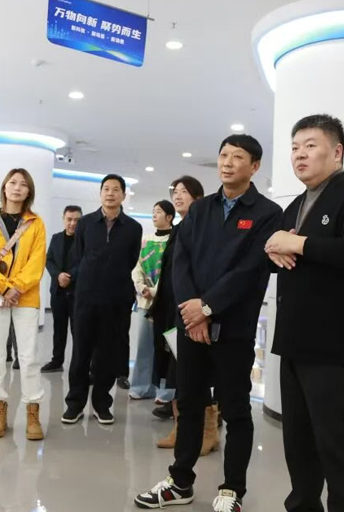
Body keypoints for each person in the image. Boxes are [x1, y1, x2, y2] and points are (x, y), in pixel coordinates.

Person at [136, 135, 281, 512]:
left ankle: (232, 489)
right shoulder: (200, 210)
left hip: (233, 328)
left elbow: (251, 268)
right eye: (223, 155)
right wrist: (193, 311)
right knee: (188, 403)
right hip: (191, 326)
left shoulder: (267, 213)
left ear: (254, 166)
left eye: (238, 157)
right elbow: (180, 261)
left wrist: (208, 306)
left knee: (235, 408)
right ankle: (180, 482)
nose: (227, 162)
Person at [264, 114, 344, 512]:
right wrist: (273, 249)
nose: (299, 154)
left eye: (310, 145)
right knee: (298, 445)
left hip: (335, 347)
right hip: (294, 343)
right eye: (294, 147)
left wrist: (297, 244)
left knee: (338, 448)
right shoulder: (295, 205)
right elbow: (278, 254)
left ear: (337, 152)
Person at [62, 174, 142, 425]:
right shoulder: (86, 223)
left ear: (123, 195)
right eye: (106, 189)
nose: (110, 193)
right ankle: (74, 404)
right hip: (86, 297)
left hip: (116, 299)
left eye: (115, 189)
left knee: (107, 354)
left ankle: (101, 404)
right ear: (100, 193)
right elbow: (79, 256)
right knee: (80, 352)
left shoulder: (133, 228)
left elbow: (130, 260)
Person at [0, 168, 48, 441]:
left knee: (29, 357)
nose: (17, 187)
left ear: (29, 191)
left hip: (25, 296)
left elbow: (37, 261)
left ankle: (32, 412)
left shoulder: (36, 223)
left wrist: (17, 287)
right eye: (13, 182)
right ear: (4, 187)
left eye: (23, 184)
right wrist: (4, 287)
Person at [148, 177, 209, 450]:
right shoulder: (178, 229)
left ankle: (206, 431)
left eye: (185, 192)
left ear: (198, 197)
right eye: (175, 192)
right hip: (172, 311)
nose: (178, 196)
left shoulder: (204, 227)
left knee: (193, 372)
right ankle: (180, 428)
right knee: (177, 370)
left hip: (193, 313)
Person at [129, 200, 175, 401]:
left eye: (159, 212)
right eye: (153, 211)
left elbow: (172, 270)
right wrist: (141, 287)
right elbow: (137, 266)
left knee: (166, 347)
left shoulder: (175, 239)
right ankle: (141, 387)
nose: (154, 215)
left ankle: (166, 391)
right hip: (145, 302)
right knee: (144, 345)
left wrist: (156, 291)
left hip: (166, 302)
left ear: (169, 217)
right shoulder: (146, 240)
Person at [41, 205, 83, 373]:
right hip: (58, 292)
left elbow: (86, 262)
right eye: (69, 219)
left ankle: (79, 365)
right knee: (58, 329)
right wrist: (58, 275)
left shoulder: (85, 240)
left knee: (78, 331)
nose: (72, 223)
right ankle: (57, 361)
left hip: (77, 293)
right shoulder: (56, 238)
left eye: (76, 220)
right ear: (63, 219)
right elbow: (49, 260)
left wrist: (69, 277)